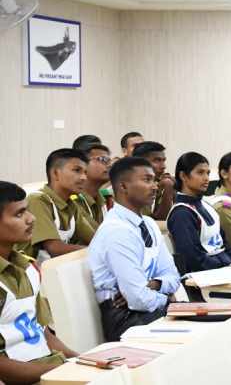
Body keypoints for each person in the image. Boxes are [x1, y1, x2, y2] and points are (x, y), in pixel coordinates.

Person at [89, 157, 181, 342]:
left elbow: (173, 276)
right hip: (125, 318)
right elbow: (138, 299)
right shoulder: (116, 231)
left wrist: (154, 284)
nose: (155, 186)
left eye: (154, 180)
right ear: (123, 186)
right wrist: (167, 299)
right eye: (147, 180)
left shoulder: (148, 224)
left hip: (151, 309)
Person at [0, 181, 78, 385]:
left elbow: (41, 330)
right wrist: (59, 370)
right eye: (19, 214)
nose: (31, 218)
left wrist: (80, 360)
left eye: (27, 210)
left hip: (47, 370)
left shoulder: (29, 268)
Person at [167, 152, 231, 274]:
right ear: (183, 176)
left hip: (224, 269)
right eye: (200, 172)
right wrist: (227, 268)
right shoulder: (181, 214)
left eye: (208, 173)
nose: (206, 178)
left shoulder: (207, 205)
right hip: (206, 277)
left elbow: (225, 245)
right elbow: (194, 260)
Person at [23, 149, 95, 260]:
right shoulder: (38, 200)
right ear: (55, 173)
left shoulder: (72, 205)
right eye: (77, 170)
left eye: (85, 172)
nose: (84, 178)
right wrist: (96, 250)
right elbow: (54, 249)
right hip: (28, 269)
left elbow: (96, 238)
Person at [132, 141, 175, 220]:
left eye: (163, 161)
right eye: (157, 160)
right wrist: (167, 190)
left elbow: (159, 218)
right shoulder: (131, 188)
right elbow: (148, 222)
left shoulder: (158, 183)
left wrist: (167, 190)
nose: (163, 166)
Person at [76, 143, 111, 229]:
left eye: (109, 161)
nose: (109, 165)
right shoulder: (73, 201)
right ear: (82, 164)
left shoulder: (107, 199)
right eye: (102, 159)